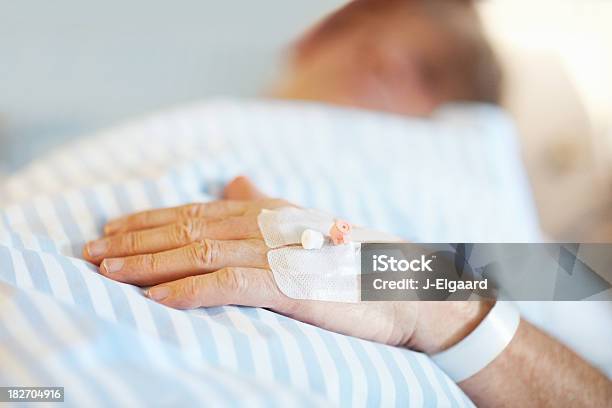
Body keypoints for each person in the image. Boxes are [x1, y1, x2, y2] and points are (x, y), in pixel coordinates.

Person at [83, 0, 612, 406]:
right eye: (380, 63)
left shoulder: (510, 229)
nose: (385, 78)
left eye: (419, 72)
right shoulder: (533, 257)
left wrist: (422, 290)